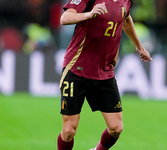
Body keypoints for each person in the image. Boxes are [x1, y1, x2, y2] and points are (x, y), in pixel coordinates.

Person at [57, 0, 152, 150]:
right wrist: (89, 14)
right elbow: (65, 18)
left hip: (104, 72)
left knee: (116, 128)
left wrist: (139, 47)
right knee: (69, 131)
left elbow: (126, 19)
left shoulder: (126, 1)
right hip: (76, 69)